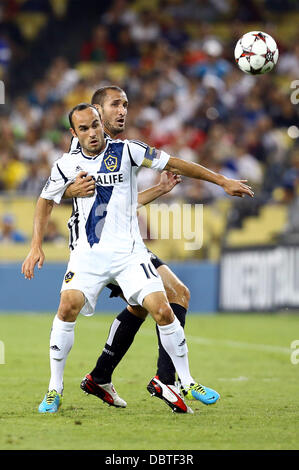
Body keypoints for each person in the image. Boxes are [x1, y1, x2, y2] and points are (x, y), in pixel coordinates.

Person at [21, 103, 253, 415]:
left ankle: (186, 381)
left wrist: (222, 180)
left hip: (129, 255)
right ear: (74, 134)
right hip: (87, 256)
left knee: (162, 309)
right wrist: (36, 245)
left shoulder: (128, 151)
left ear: (101, 124)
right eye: (84, 129)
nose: (92, 133)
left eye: (95, 125)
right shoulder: (65, 165)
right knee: (67, 307)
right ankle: (54, 389)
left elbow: (177, 163)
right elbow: (44, 201)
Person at [64, 86, 219, 412]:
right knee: (173, 294)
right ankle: (166, 379)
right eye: (115, 105)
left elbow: (119, 205)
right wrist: (223, 181)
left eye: (126, 105)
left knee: (147, 303)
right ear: (96, 110)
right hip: (100, 250)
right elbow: (80, 201)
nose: (123, 111)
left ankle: (101, 375)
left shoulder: (119, 149)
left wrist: (157, 191)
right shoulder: (84, 151)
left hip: (125, 243)